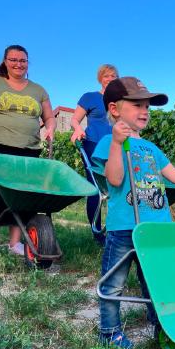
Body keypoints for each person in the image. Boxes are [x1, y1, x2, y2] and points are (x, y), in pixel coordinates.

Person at [91, 77, 175, 349]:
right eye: (137, 105)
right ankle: (109, 333)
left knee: (157, 282)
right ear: (114, 108)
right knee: (113, 284)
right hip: (124, 228)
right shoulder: (110, 142)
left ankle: (160, 325)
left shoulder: (151, 148)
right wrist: (118, 145)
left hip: (157, 229)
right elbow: (115, 180)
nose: (145, 111)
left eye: (147, 106)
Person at [0, 44, 55, 255]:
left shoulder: (38, 90)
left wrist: (50, 128)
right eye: (13, 59)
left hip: (29, 148)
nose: (18, 64)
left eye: (23, 60)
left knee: (23, 194)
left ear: (27, 63)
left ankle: (14, 244)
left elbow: (49, 117)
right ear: (5, 61)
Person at [70, 64, 119, 244]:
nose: (110, 79)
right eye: (107, 76)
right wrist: (77, 130)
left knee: (116, 188)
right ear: (100, 78)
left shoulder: (119, 101)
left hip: (114, 147)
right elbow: (75, 120)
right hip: (93, 146)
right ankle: (97, 233)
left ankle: (115, 231)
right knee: (96, 188)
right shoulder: (90, 97)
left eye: (114, 76)